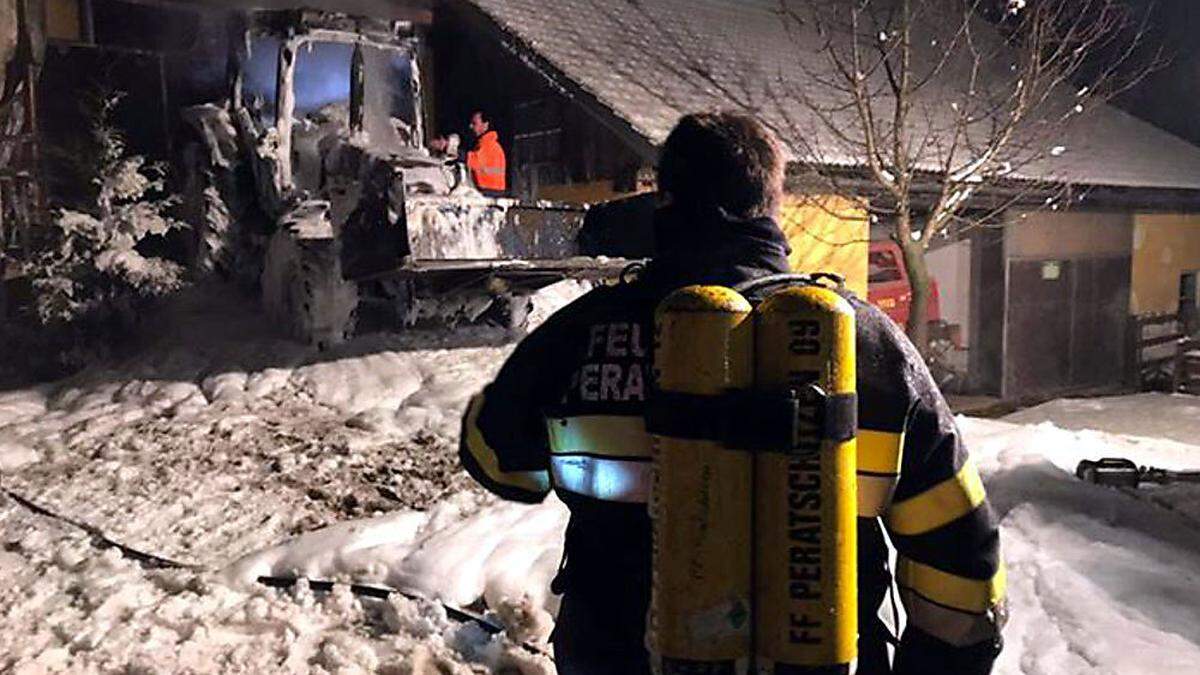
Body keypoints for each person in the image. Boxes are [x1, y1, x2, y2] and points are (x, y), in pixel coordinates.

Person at [458, 112, 1006, 674]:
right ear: (773, 203)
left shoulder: (579, 332)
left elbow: (498, 462)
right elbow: (962, 562)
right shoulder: (869, 347)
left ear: (663, 201)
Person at [465, 109, 506, 195]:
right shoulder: (486, 144)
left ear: (485, 125)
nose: (470, 126)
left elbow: (474, 161)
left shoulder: (488, 144)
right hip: (491, 190)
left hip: (489, 191)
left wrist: (457, 154)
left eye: (474, 123)